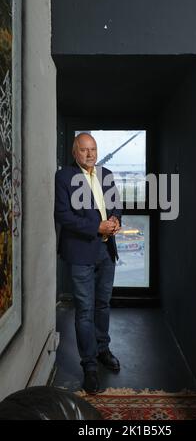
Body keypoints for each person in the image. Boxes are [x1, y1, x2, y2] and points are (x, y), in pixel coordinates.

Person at [54, 133, 122, 394]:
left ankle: (103, 349)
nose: (90, 154)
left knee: (103, 305)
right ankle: (89, 366)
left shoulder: (106, 174)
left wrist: (115, 220)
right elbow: (62, 214)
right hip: (81, 253)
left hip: (106, 252)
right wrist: (97, 226)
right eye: (84, 150)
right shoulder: (64, 178)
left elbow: (116, 205)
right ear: (75, 153)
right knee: (84, 310)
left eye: (93, 149)